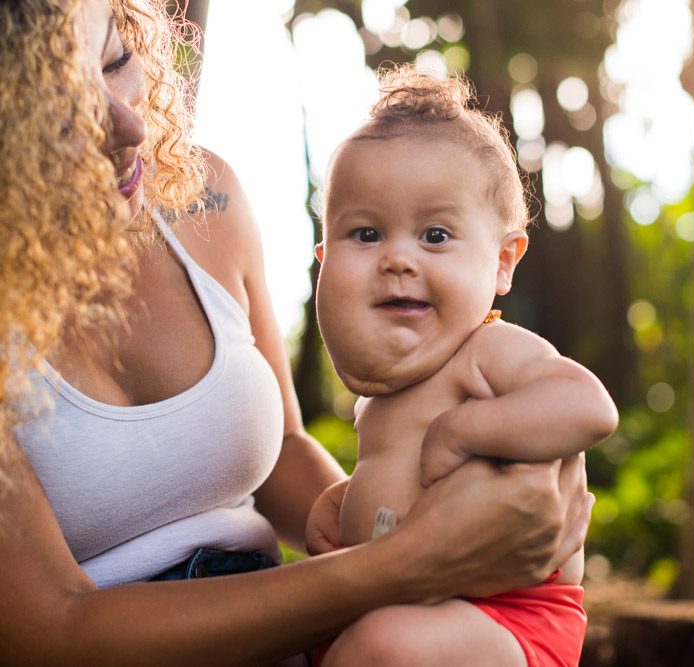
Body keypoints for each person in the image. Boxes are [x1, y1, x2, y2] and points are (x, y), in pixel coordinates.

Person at [0, 2, 594, 665]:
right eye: (56, 111)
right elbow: (53, 631)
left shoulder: (202, 195)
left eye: (115, 60)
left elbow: (279, 447)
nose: (129, 124)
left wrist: (416, 511)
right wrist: (408, 561)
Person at [309, 65, 619, 667]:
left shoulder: (487, 349)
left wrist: (462, 431)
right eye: (367, 233)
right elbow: (409, 481)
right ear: (324, 260)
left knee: (382, 646)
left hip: (509, 620)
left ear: (503, 262)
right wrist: (351, 496)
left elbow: (588, 407)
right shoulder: (395, 382)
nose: (398, 257)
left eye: (435, 234)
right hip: (412, 609)